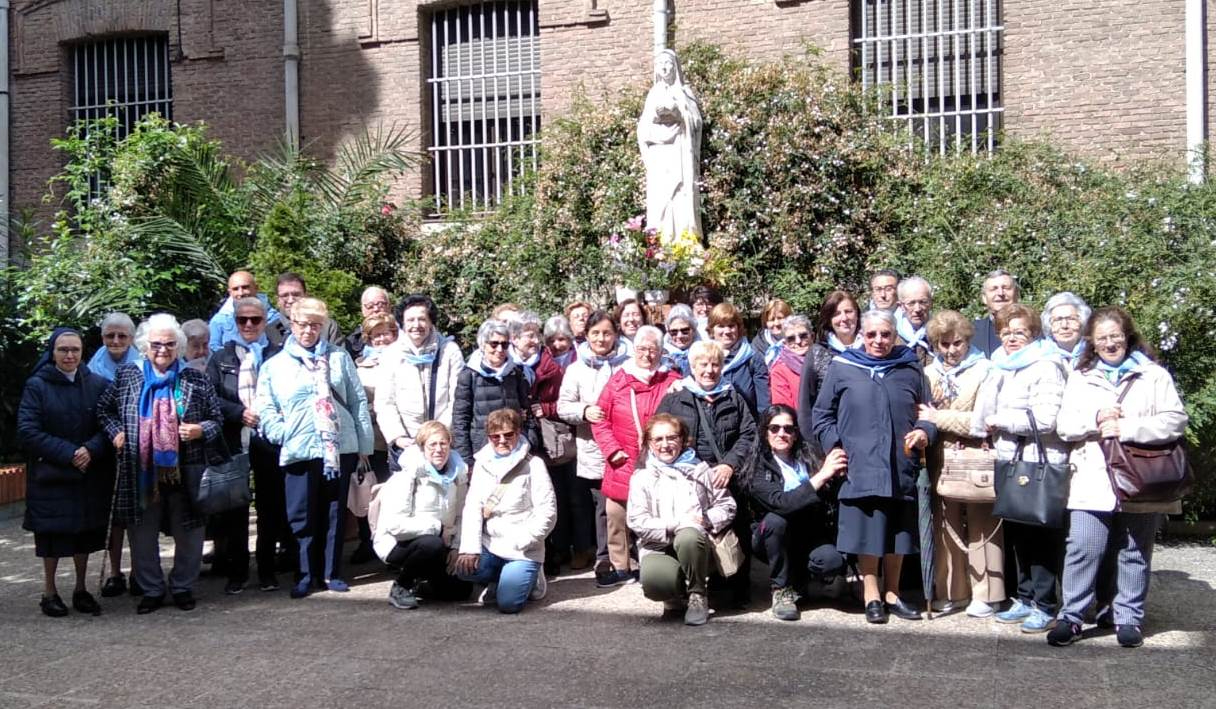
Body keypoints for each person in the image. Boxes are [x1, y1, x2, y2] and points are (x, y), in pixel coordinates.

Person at [1049, 307, 1187, 649]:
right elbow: (1064, 426)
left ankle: (1128, 617)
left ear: (1128, 337)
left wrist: (1127, 428)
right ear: (1091, 343)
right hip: (1092, 477)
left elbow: (1175, 420)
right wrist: (1097, 419)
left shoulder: (1153, 375)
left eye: (1115, 336)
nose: (1110, 344)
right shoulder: (1081, 376)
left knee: (1135, 550)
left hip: (1142, 477)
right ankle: (1072, 616)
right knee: (1083, 547)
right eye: (1102, 338)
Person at [812, 309, 937, 624]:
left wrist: (925, 431)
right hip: (860, 462)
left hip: (900, 461)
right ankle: (871, 596)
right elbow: (822, 415)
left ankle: (893, 594)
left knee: (898, 530)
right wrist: (835, 448)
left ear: (895, 335)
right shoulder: (843, 367)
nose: (879, 340)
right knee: (868, 529)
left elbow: (928, 411)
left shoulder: (909, 366)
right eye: (871, 334)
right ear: (861, 336)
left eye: (885, 334)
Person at [97, 314, 224, 613]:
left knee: (190, 533)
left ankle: (182, 587)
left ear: (178, 346)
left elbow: (216, 418)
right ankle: (152, 589)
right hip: (140, 470)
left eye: (169, 344)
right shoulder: (128, 375)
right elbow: (103, 410)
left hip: (186, 468)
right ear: (145, 346)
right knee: (142, 534)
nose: (163, 350)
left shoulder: (195, 377)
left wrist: (199, 430)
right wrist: (116, 433)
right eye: (156, 344)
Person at [255, 297, 374, 599]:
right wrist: (282, 433)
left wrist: (363, 445)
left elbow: (358, 401)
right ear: (292, 325)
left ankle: (331, 573)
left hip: (339, 448)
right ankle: (305, 574)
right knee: (301, 515)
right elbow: (266, 407)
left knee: (334, 512)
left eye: (315, 325)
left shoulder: (339, 358)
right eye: (303, 324)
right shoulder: (274, 365)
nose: (308, 331)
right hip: (299, 449)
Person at [971, 303, 1067, 632]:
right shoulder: (1001, 364)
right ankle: (1024, 598)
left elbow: (1046, 419)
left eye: (1019, 332)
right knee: (1017, 533)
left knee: (1040, 536)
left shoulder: (1046, 365)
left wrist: (1000, 420)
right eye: (1006, 332)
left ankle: (1045, 604)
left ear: (1034, 334)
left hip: (1037, 461)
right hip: (1009, 458)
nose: (1011, 338)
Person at [19, 328, 112, 617]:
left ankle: (81, 589)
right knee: (52, 536)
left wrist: (90, 449)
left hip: (87, 473)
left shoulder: (97, 384)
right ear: (52, 352)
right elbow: (28, 430)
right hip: (52, 473)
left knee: (83, 534)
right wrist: (69, 453)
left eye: (75, 350)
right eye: (63, 350)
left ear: (82, 352)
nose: (69, 355)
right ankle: (49, 592)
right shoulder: (37, 385)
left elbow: (109, 424)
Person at [656, 339, 757, 606]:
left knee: (733, 531)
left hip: (727, 477)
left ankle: (733, 590)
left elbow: (749, 434)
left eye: (715, 364)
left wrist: (730, 464)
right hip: (686, 478)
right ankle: (686, 590)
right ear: (692, 366)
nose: (709, 370)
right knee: (690, 531)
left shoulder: (734, 396)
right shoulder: (675, 397)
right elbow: (659, 433)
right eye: (703, 364)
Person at [917, 310, 1004, 618]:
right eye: (944, 344)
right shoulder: (928, 373)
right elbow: (919, 414)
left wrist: (938, 417)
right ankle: (952, 591)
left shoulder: (986, 370)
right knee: (945, 524)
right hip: (940, 457)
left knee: (982, 522)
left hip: (977, 455)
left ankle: (988, 594)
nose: (951, 350)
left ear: (968, 341)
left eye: (957, 343)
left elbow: (984, 421)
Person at [206, 297, 287, 594]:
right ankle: (237, 571)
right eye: (243, 320)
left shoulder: (279, 354)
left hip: (269, 438)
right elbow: (210, 397)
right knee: (236, 508)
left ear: (265, 321)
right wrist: (239, 413)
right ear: (235, 322)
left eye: (255, 319)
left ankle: (267, 569)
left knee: (270, 504)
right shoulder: (221, 357)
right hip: (234, 438)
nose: (249, 325)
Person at [741, 404, 848, 621]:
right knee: (775, 521)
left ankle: (800, 582)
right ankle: (780, 590)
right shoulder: (757, 467)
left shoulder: (809, 458)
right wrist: (823, 475)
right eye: (774, 428)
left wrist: (836, 476)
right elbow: (782, 503)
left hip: (808, 533)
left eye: (788, 429)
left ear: (796, 433)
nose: (782, 433)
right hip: (771, 537)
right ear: (765, 432)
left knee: (832, 562)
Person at [627, 413, 735, 626]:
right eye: (658, 439)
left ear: (683, 440)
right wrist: (675, 524)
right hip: (658, 545)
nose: (665, 445)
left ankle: (698, 594)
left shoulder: (702, 470)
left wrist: (706, 519)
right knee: (655, 581)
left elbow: (727, 506)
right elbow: (636, 520)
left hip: (698, 545)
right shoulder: (641, 477)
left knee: (688, 536)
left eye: (671, 438)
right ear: (649, 443)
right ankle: (673, 596)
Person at [591, 325, 678, 587]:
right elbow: (600, 419)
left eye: (653, 349)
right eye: (642, 349)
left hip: (660, 459)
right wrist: (611, 449)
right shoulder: (618, 380)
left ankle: (655, 564)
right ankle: (620, 567)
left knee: (657, 511)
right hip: (623, 456)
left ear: (661, 351)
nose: (647, 355)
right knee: (616, 513)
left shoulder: (672, 380)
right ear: (633, 349)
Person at [455, 408, 556, 613]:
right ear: (489, 437)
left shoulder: (534, 465)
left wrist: (526, 540)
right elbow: (473, 507)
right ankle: (500, 579)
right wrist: (469, 549)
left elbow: (548, 511)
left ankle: (533, 579)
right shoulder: (482, 464)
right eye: (496, 436)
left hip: (522, 547)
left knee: (509, 605)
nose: (502, 440)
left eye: (508, 435)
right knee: (461, 569)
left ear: (518, 433)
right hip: (491, 543)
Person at [557, 310, 631, 574]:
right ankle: (604, 556)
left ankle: (630, 554)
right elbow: (563, 406)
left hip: (626, 444)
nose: (601, 339)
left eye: (607, 333)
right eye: (595, 333)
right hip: (593, 446)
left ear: (616, 335)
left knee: (627, 500)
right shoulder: (576, 369)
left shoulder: (628, 364)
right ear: (586, 335)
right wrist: (585, 411)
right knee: (602, 504)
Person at [374, 421, 472, 609]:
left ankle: (423, 583)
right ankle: (401, 586)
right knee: (431, 544)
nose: (439, 450)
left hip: (442, 542)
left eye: (443, 443)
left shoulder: (458, 476)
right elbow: (395, 525)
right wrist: (438, 529)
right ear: (422, 448)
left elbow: (461, 515)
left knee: (461, 590)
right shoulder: (406, 476)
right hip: (399, 543)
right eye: (432, 444)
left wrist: (457, 548)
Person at [87, 311, 141, 598]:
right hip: (107, 447)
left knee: (140, 512)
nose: (116, 340)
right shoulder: (93, 367)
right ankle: (115, 572)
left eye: (122, 335)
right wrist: (113, 432)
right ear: (102, 337)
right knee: (115, 515)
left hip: (140, 448)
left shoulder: (142, 362)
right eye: (110, 335)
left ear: (132, 338)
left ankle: (140, 571)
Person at [377, 294, 465, 465]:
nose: (416, 325)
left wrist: (438, 434)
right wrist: (397, 437)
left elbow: (458, 398)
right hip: (406, 444)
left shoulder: (449, 351)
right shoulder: (391, 354)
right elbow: (384, 402)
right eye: (410, 320)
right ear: (402, 323)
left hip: (442, 444)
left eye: (422, 319)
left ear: (431, 322)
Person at [637, 48, 703, 243]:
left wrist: (679, 114)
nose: (664, 68)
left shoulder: (685, 93)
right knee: (661, 196)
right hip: (659, 153)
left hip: (679, 150)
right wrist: (657, 117)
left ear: (675, 67)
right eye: (660, 64)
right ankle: (662, 240)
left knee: (680, 193)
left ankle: (684, 239)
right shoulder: (653, 94)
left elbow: (697, 122)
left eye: (667, 63)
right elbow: (643, 128)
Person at [349, 313, 400, 564]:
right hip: (374, 440)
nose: (381, 339)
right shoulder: (360, 369)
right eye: (376, 335)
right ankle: (368, 540)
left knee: (396, 493)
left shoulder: (405, 360)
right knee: (370, 492)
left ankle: (397, 545)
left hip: (400, 439)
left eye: (386, 333)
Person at [451, 319, 536, 463]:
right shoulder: (469, 375)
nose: (500, 349)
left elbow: (528, 412)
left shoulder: (516, 373)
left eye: (504, 344)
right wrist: (466, 459)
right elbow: (460, 420)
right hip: (483, 450)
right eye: (494, 344)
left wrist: (531, 441)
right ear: (482, 344)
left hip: (516, 448)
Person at [797, 290, 861, 445]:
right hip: (830, 442)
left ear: (857, 315)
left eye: (848, 311)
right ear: (829, 320)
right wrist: (818, 447)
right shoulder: (817, 354)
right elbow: (806, 406)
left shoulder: (870, 350)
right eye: (836, 314)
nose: (844, 318)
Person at [708, 302, 770, 414]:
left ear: (739, 328)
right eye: (721, 326)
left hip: (747, 422)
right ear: (712, 330)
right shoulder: (702, 357)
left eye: (731, 326)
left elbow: (763, 404)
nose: (727, 331)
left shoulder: (752, 358)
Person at [208, 270, 282, 352]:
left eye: (245, 287)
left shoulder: (275, 318)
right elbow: (212, 348)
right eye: (236, 289)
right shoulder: (219, 321)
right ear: (230, 292)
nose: (241, 293)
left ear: (256, 288)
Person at [267, 272, 343, 347]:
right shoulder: (267, 332)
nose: (290, 300)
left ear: (306, 296)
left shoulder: (328, 327)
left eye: (296, 294)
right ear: (278, 300)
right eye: (285, 295)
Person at [769, 315, 813, 410]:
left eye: (803, 336)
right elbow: (784, 410)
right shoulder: (779, 370)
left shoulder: (825, 360)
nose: (798, 341)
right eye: (791, 338)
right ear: (785, 343)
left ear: (812, 336)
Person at [972, 270, 1019, 356]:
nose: (1000, 293)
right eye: (993, 289)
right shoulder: (971, 332)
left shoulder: (1035, 328)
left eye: (1006, 288)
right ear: (984, 298)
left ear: (1017, 294)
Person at [1041, 292, 1091, 368]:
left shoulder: (1094, 353)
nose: (1064, 326)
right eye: (1058, 320)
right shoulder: (1040, 356)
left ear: (1082, 321)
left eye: (1071, 319)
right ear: (1049, 325)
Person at [344, 286, 392, 360]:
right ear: (363, 310)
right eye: (370, 306)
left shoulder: (403, 335)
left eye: (381, 304)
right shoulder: (352, 342)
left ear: (389, 307)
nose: (376, 309)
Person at [87, 312, 139, 382]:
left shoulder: (142, 365)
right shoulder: (96, 361)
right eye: (110, 336)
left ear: (131, 339)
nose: (115, 341)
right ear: (103, 338)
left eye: (122, 336)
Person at [895, 276, 934, 365]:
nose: (917, 309)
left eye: (923, 302)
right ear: (901, 306)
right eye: (911, 303)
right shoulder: (890, 334)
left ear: (931, 303)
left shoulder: (940, 331)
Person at [753, 298, 793, 367]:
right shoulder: (758, 344)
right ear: (766, 322)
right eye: (771, 320)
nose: (776, 323)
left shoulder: (797, 340)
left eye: (780, 318)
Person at [662, 304, 699, 376]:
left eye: (685, 331)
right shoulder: (660, 355)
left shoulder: (704, 352)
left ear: (694, 330)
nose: (679, 336)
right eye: (674, 332)